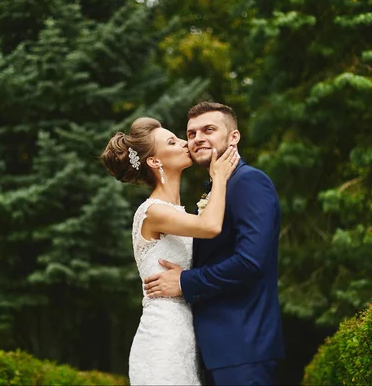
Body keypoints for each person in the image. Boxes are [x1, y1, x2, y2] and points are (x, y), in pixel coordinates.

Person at [143, 102, 285, 385]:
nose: (197, 139)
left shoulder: (249, 182)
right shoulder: (216, 191)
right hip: (214, 347)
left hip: (242, 342)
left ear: (234, 137)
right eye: (191, 133)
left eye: (209, 129)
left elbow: (250, 262)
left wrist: (185, 282)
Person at [100, 116, 239, 385]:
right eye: (172, 142)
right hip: (162, 338)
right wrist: (219, 177)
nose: (186, 143)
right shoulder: (153, 211)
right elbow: (210, 226)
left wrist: (187, 277)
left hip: (187, 334)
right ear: (154, 161)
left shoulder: (177, 213)